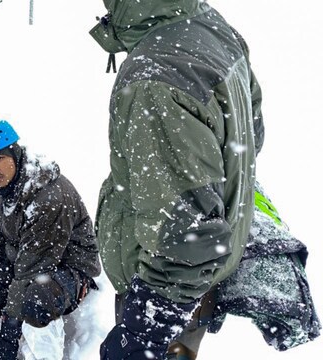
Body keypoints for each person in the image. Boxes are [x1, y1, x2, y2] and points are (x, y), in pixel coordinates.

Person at [89, 0, 265, 359]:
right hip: (194, 282)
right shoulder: (205, 22)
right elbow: (251, 136)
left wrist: (143, 331)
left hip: (166, 290)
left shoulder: (156, 76)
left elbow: (186, 233)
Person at [0, 120, 102, 360]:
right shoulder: (2, 186)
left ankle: (43, 351)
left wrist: (9, 331)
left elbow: (35, 267)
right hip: (24, 261)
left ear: (14, 153)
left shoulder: (48, 196)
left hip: (66, 267)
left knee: (35, 304)